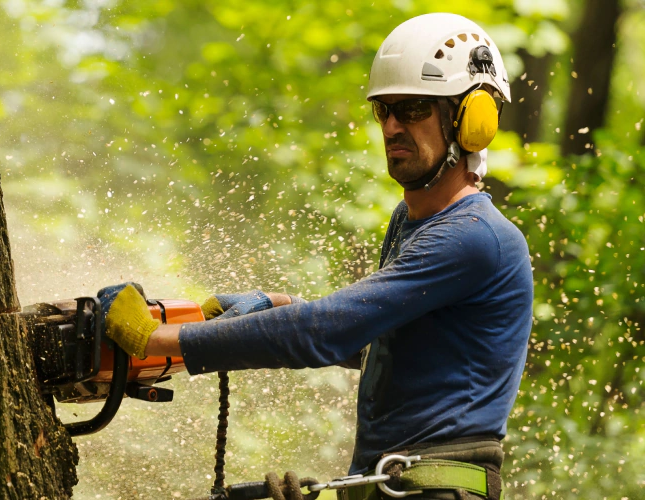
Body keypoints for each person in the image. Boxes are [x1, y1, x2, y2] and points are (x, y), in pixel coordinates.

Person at [99, 13, 532, 500]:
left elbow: (328, 330)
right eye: (382, 111)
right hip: (391, 484)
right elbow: (388, 346)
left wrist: (155, 338)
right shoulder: (411, 222)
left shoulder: (475, 237)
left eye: (411, 108)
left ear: (471, 120)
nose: (391, 127)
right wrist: (279, 305)